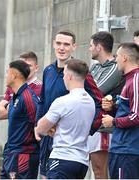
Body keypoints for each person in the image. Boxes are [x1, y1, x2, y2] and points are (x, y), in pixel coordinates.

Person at [39, 30, 103, 178]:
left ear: (74, 47)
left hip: (69, 146)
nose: (62, 48)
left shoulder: (80, 72)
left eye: (66, 44)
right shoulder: (48, 71)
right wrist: (40, 126)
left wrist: (88, 129)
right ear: (53, 44)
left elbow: (99, 104)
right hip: (48, 140)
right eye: (59, 43)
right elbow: (42, 102)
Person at [35, 59, 95, 179]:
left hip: (62, 158)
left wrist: (49, 127)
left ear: (70, 76)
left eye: (64, 75)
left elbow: (40, 128)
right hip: (81, 161)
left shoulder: (62, 101)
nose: (62, 78)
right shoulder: (90, 101)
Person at [88, 31, 124, 179]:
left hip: (103, 127)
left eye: (91, 46)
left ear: (99, 47)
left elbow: (96, 91)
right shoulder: (95, 67)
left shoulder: (114, 67)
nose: (89, 49)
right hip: (90, 124)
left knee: (99, 170)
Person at [102, 42, 139, 179]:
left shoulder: (136, 79)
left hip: (127, 150)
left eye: (116, 56)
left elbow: (136, 116)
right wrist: (112, 108)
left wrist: (114, 121)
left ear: (124, 58)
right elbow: (128, 110)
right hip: (123, 149)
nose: (115, 59)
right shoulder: (130, 80)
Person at [0, 60, 40, 179]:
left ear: (14, 75)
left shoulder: (28, 98)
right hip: (10, 154)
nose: (6, 75)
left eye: (8, 72)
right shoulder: (14, 96)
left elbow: (38, 125)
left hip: (23, 156)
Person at [0, 51, 42, 120]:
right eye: (22, 66)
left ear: (36, 68)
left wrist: (9, 107)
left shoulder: (40, 87)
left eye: (29, 66)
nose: (24, 69)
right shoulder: (12, 85)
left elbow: (33, 114)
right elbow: (0, 114)